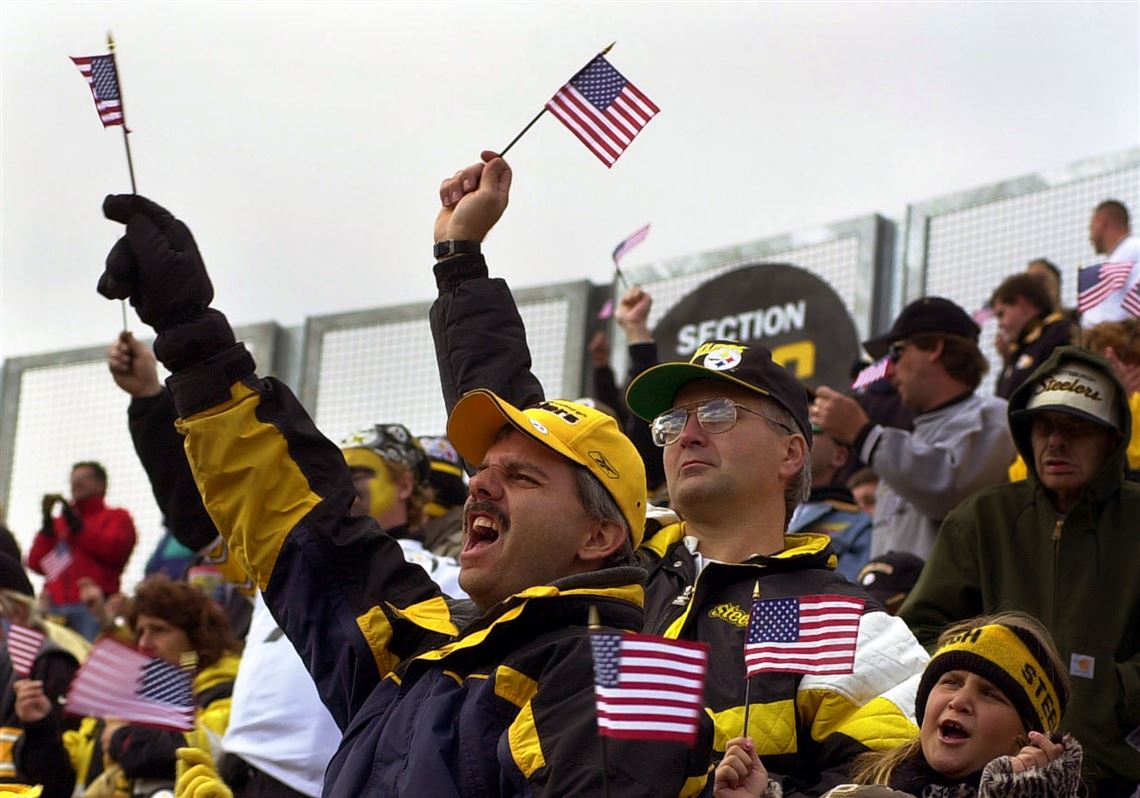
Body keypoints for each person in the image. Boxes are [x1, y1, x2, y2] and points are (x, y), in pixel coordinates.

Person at [94, 193, 706, 796]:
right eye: (481, 470)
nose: (481, 485)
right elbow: (294, 517)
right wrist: (188, 333)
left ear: (599, 536)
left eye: (520, 477)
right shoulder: (418, 649)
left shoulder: (624, 683)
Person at [429, 152, 930, 795]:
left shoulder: (841, 620)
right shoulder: (621, 559)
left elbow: (905, 782)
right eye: (671, 423)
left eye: (719, 413)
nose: (686, 433)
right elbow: (524, 440)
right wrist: (460, 258)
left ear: (791, 454)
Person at [900, 346, 1140, 795]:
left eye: (1077, 428)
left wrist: (1115, 692)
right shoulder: (980, 518)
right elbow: (919, 632)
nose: (1056, 442)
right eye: (1044, 427)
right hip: (986, 777)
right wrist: (983, 680)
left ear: (1112, 438)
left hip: (1121, 774)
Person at [714, 613, 1081, 798]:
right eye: (950, 682)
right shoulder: (866, 772)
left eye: (990, 694)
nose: (960, 700)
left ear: (1026, 737)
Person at [812, 297, 1015, 559]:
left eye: (897, 353)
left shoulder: (992, 415)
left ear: (934, 349)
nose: (888, 371)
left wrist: (861, 433)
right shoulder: (910, 443)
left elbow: (947, 489)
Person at [14, 574, 239, 797]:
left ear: (196, 638)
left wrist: (121, 738)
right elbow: (55, 781)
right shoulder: (120, 701)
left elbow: (195, 750)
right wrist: (39, 727)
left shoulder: (227, 693)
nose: (144, 643)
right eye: (140, 632)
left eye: (158, 630)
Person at [27, 462, 137, 641]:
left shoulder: (117, 517)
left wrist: (80, 529)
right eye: (73, 479)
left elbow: (116, 550)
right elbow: (36, 563)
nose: (76, 483)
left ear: (102, 485)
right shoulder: (60, 524)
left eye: (84, 478)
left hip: (93, 608)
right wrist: (47, 529)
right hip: (54, 607)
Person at [788, 406, 872, 582]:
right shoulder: (758, 507)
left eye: (812, 429)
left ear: (839, 457)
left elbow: (849, 591)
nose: (798, 436)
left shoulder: (859, 525)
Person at [990, 272, 1075, 399]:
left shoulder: (1059, 333)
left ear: (1022, 304)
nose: (1000, 324)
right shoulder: (1019, 352)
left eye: (1001, 314)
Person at [1080, 200, 1140, 329]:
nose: (1090, 236)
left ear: (1101, 223)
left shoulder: (1134, 248)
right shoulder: (1120, 256)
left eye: (1091, 227)